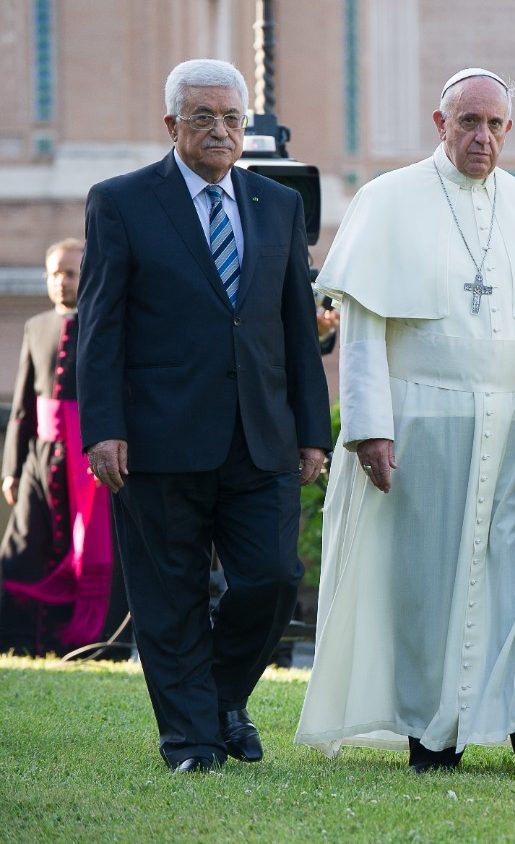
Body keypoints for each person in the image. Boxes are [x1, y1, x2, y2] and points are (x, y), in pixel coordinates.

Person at [295, 68, 515, 780]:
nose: (483, 137)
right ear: (439, 124)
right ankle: (432, 734)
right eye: (469, 122)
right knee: (429, 584)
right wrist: (370, 426)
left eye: (496, 124)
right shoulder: (388, 201)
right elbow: (366, 328)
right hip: (420, 424)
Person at [77, 59, 331, 773]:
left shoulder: (277, 205)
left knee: (273, 578)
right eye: (202, 118)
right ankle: (192, 741)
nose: (219, 131)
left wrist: (314, 428)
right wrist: (104, 427)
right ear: (172, 125)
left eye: (231, 119)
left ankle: (219, 700)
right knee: (169, 597)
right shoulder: (121, 202)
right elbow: (102, 326)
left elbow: (294, 329)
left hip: (261, 437)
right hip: (156, 438)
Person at [1, 239, 126, 656]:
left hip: (89, 457)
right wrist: (11, 468)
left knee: (92, 553)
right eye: (54, 273)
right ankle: (23, 642)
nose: (61, 281)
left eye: (70, 273)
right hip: (41, 458)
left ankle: (94, 644)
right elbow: (21, 407)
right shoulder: (36, 325)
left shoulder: (106, 321)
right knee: (23, 550)